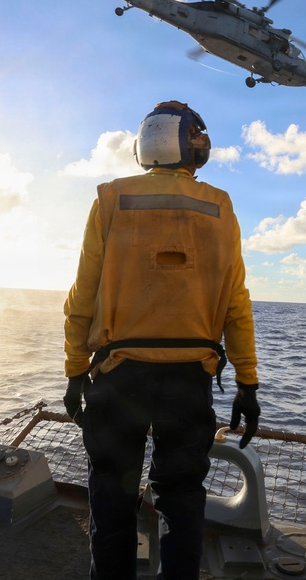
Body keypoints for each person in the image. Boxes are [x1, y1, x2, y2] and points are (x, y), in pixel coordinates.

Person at [63, 100, 261, 580]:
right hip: (188, 382)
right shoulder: (219, 206)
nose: (203, 141)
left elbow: (82, 295)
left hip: (117, 377)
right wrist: (247, 384)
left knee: (111, 500)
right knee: (182, 500)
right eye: (199, 134)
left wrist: (74, 372)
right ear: (187, 140)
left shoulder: (110, 199)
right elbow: (236, 302)